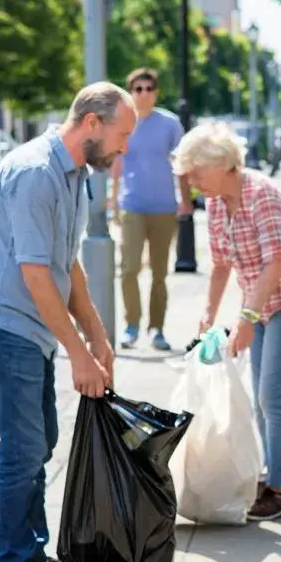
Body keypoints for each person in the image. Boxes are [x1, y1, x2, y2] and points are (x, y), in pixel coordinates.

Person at [0, 82, 136, 562]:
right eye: (121, 135)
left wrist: (98, 337)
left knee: (43, 440)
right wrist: (79, 354)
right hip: (3, 321)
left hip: (31, 326)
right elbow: (35, 273)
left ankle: (31, 554)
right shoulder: (36, 173)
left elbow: (68, 263)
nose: (124, 148)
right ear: (91, 123)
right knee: (22, 447)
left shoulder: (76, 175)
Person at [173, 122, 281, 522]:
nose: (192, 182)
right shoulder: (219, 202)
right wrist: (208, 313)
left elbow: (275, 264)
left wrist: (246, 317)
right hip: (259, 306)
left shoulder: (262, 196)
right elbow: (222, 264)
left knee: (272, 396)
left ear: (222, 164)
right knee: (259, 396)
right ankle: (270, 476)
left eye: (196, 173)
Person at [110, 67, 192, 353]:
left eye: (148, 88)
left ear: (156, 92)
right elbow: (116, 162)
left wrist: (186, 200)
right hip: (132, 205)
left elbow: (181, 165)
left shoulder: (169, 124)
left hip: (163, 207)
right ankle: (131, 325)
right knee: (129, 269)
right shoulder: (123, 122)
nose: (143, 94)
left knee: (159, 273)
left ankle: (157, 329)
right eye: (138, 89)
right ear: (130, 92)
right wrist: (112, 199)